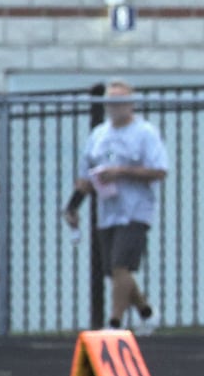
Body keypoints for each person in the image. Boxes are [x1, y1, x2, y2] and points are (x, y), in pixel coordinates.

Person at [62, 79, 168, 335]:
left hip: (135, 211)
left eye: (120, 101)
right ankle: (146, 311)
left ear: (131, 104)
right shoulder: (98, 135)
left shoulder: (144, 133)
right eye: (110, 102)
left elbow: (159, 170)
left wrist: (121, 171)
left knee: (121, 266)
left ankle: (115, 324)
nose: (114, 107)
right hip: (107, 212)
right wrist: (73, 206)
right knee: (113, 271)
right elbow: (86, 176)